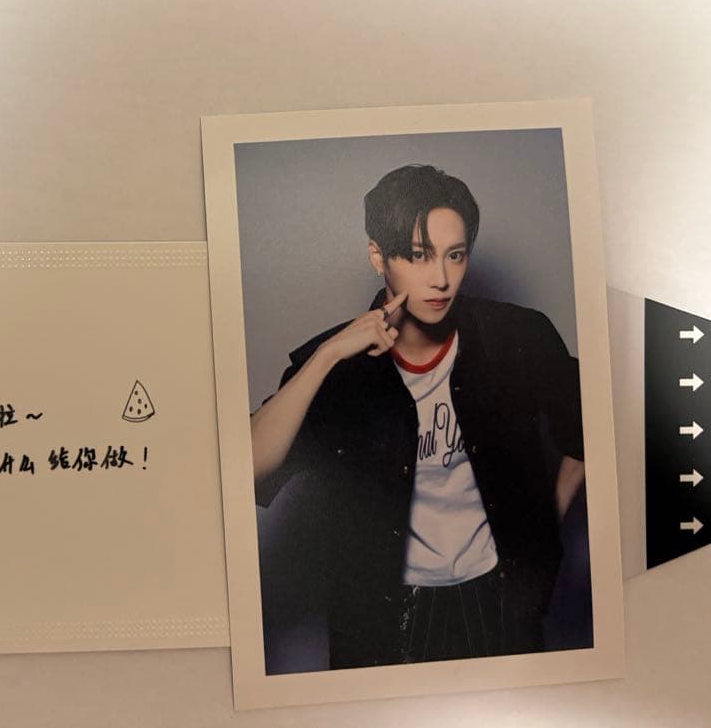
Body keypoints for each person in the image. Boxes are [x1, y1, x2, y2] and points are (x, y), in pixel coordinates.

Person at [251, 164, 586, 670]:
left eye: (456, 255)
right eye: (418, 255)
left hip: (498, 604)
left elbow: (586, 431)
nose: (441, 279)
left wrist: (538, 529)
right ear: (377, 257)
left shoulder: (518, 337)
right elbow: (249, 465)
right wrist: (326, 357)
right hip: (382, 620)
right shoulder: (338, 371)